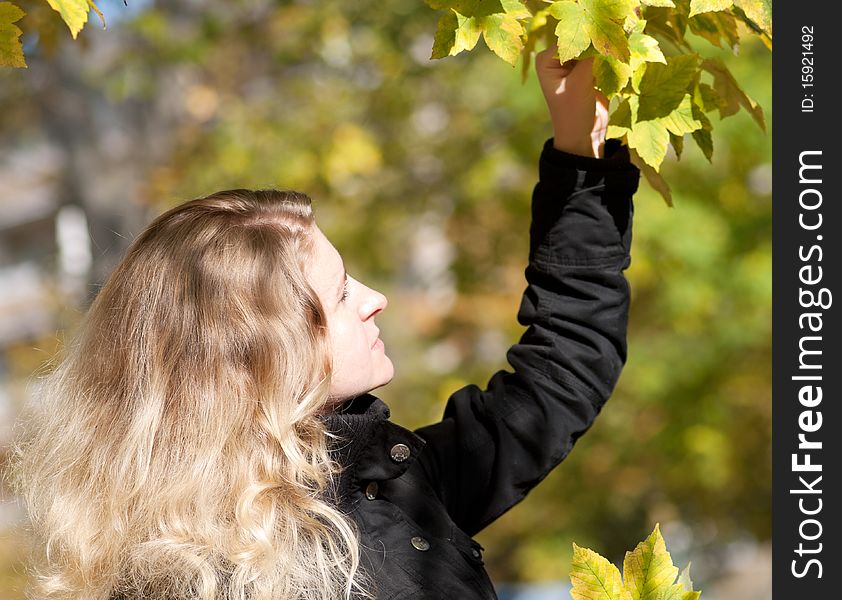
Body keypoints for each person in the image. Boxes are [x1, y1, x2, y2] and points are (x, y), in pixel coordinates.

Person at [11, 45, 639, 600]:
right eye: (340, 294)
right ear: (266, 353)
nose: (375, 298)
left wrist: (580, 155)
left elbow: (562, 368)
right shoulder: (190, 578)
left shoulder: (392, 483)